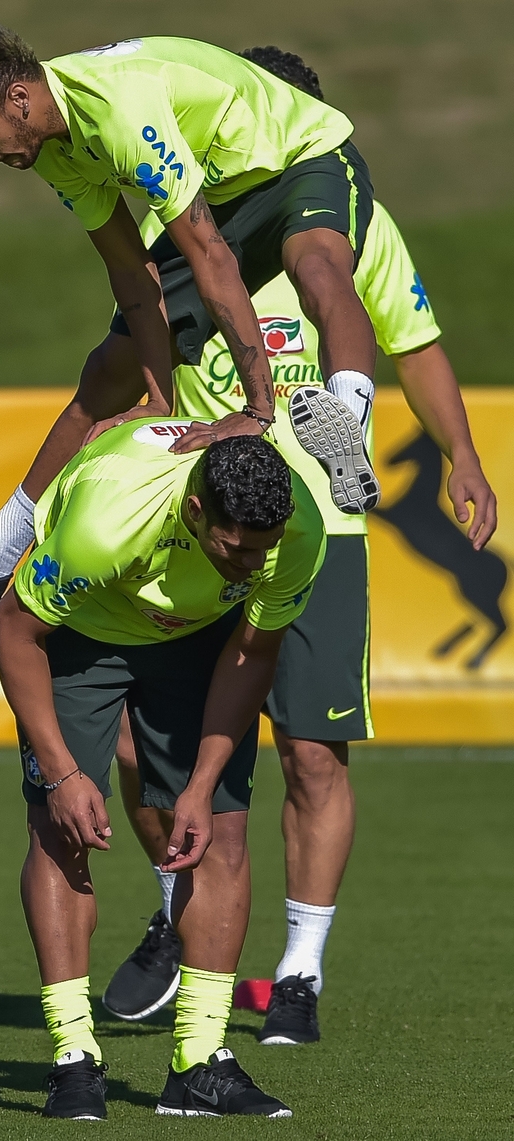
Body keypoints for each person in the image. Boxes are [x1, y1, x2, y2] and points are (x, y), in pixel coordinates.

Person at [100, 46, 498, 1046]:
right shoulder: (179, 224)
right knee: (133, 742)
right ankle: (176, 907)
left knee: (313, 753)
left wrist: (463, 457)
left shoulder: (354, 227)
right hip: (189, 521)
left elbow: (417, 342)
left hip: (319, 515)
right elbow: (134, 354)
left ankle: (301, 973)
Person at [0, 25, 379, 617]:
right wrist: (158, 399)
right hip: (225, 194)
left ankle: (345, 420)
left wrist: (259, 411)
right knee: (110, 370)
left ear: (17, 97)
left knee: (316, 267)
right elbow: (133, 277)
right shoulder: (51, 146)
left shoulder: (119, 110)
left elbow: (209, 256)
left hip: (303, 157)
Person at [0, 424, 326, 1119]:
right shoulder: (109, 519)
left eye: (264, 548)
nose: (255, 562)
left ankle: (198, 1061)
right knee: (62, 834)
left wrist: (201, 786)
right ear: (198, 513)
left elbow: (254, 653)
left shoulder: (296, 532)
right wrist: (61, 774)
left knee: (224, 835)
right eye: (237, 547)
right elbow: (15, 627)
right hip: (81, 628)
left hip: (200, 634)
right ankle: (74, 1056)